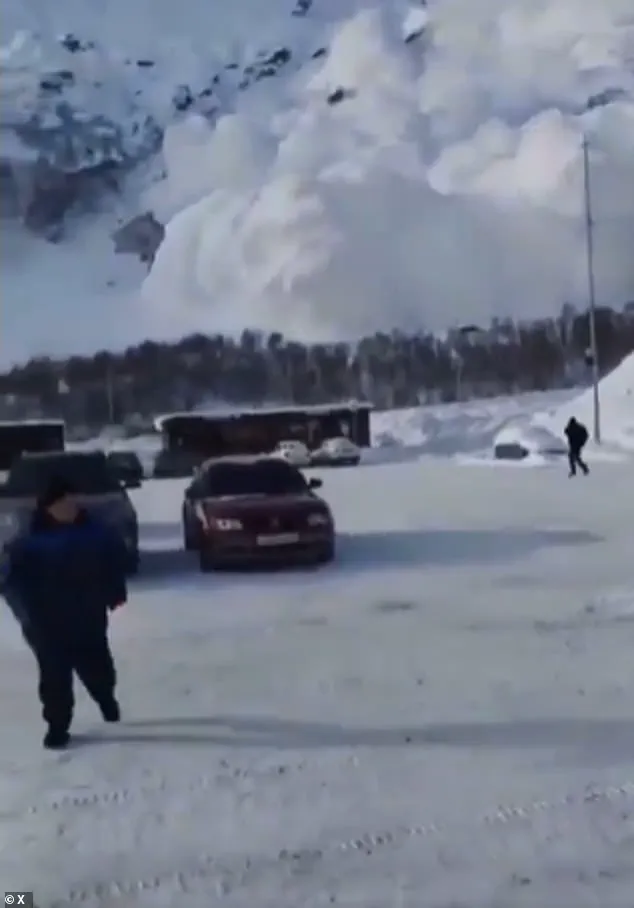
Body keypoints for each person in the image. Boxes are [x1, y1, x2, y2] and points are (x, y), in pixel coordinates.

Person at [1, 476, 128, 749]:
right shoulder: (28, 540)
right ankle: (57, 726)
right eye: (63, 503)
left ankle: (105, 696)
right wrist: (28, 613)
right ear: (49, 507)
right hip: (46, 621)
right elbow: (12, 582)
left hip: (88, 614)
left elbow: (114, 562)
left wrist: (116, 591)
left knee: (97, 666)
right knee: (55, 675)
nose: (71, 508)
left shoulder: (96, 532)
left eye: (73, 502)